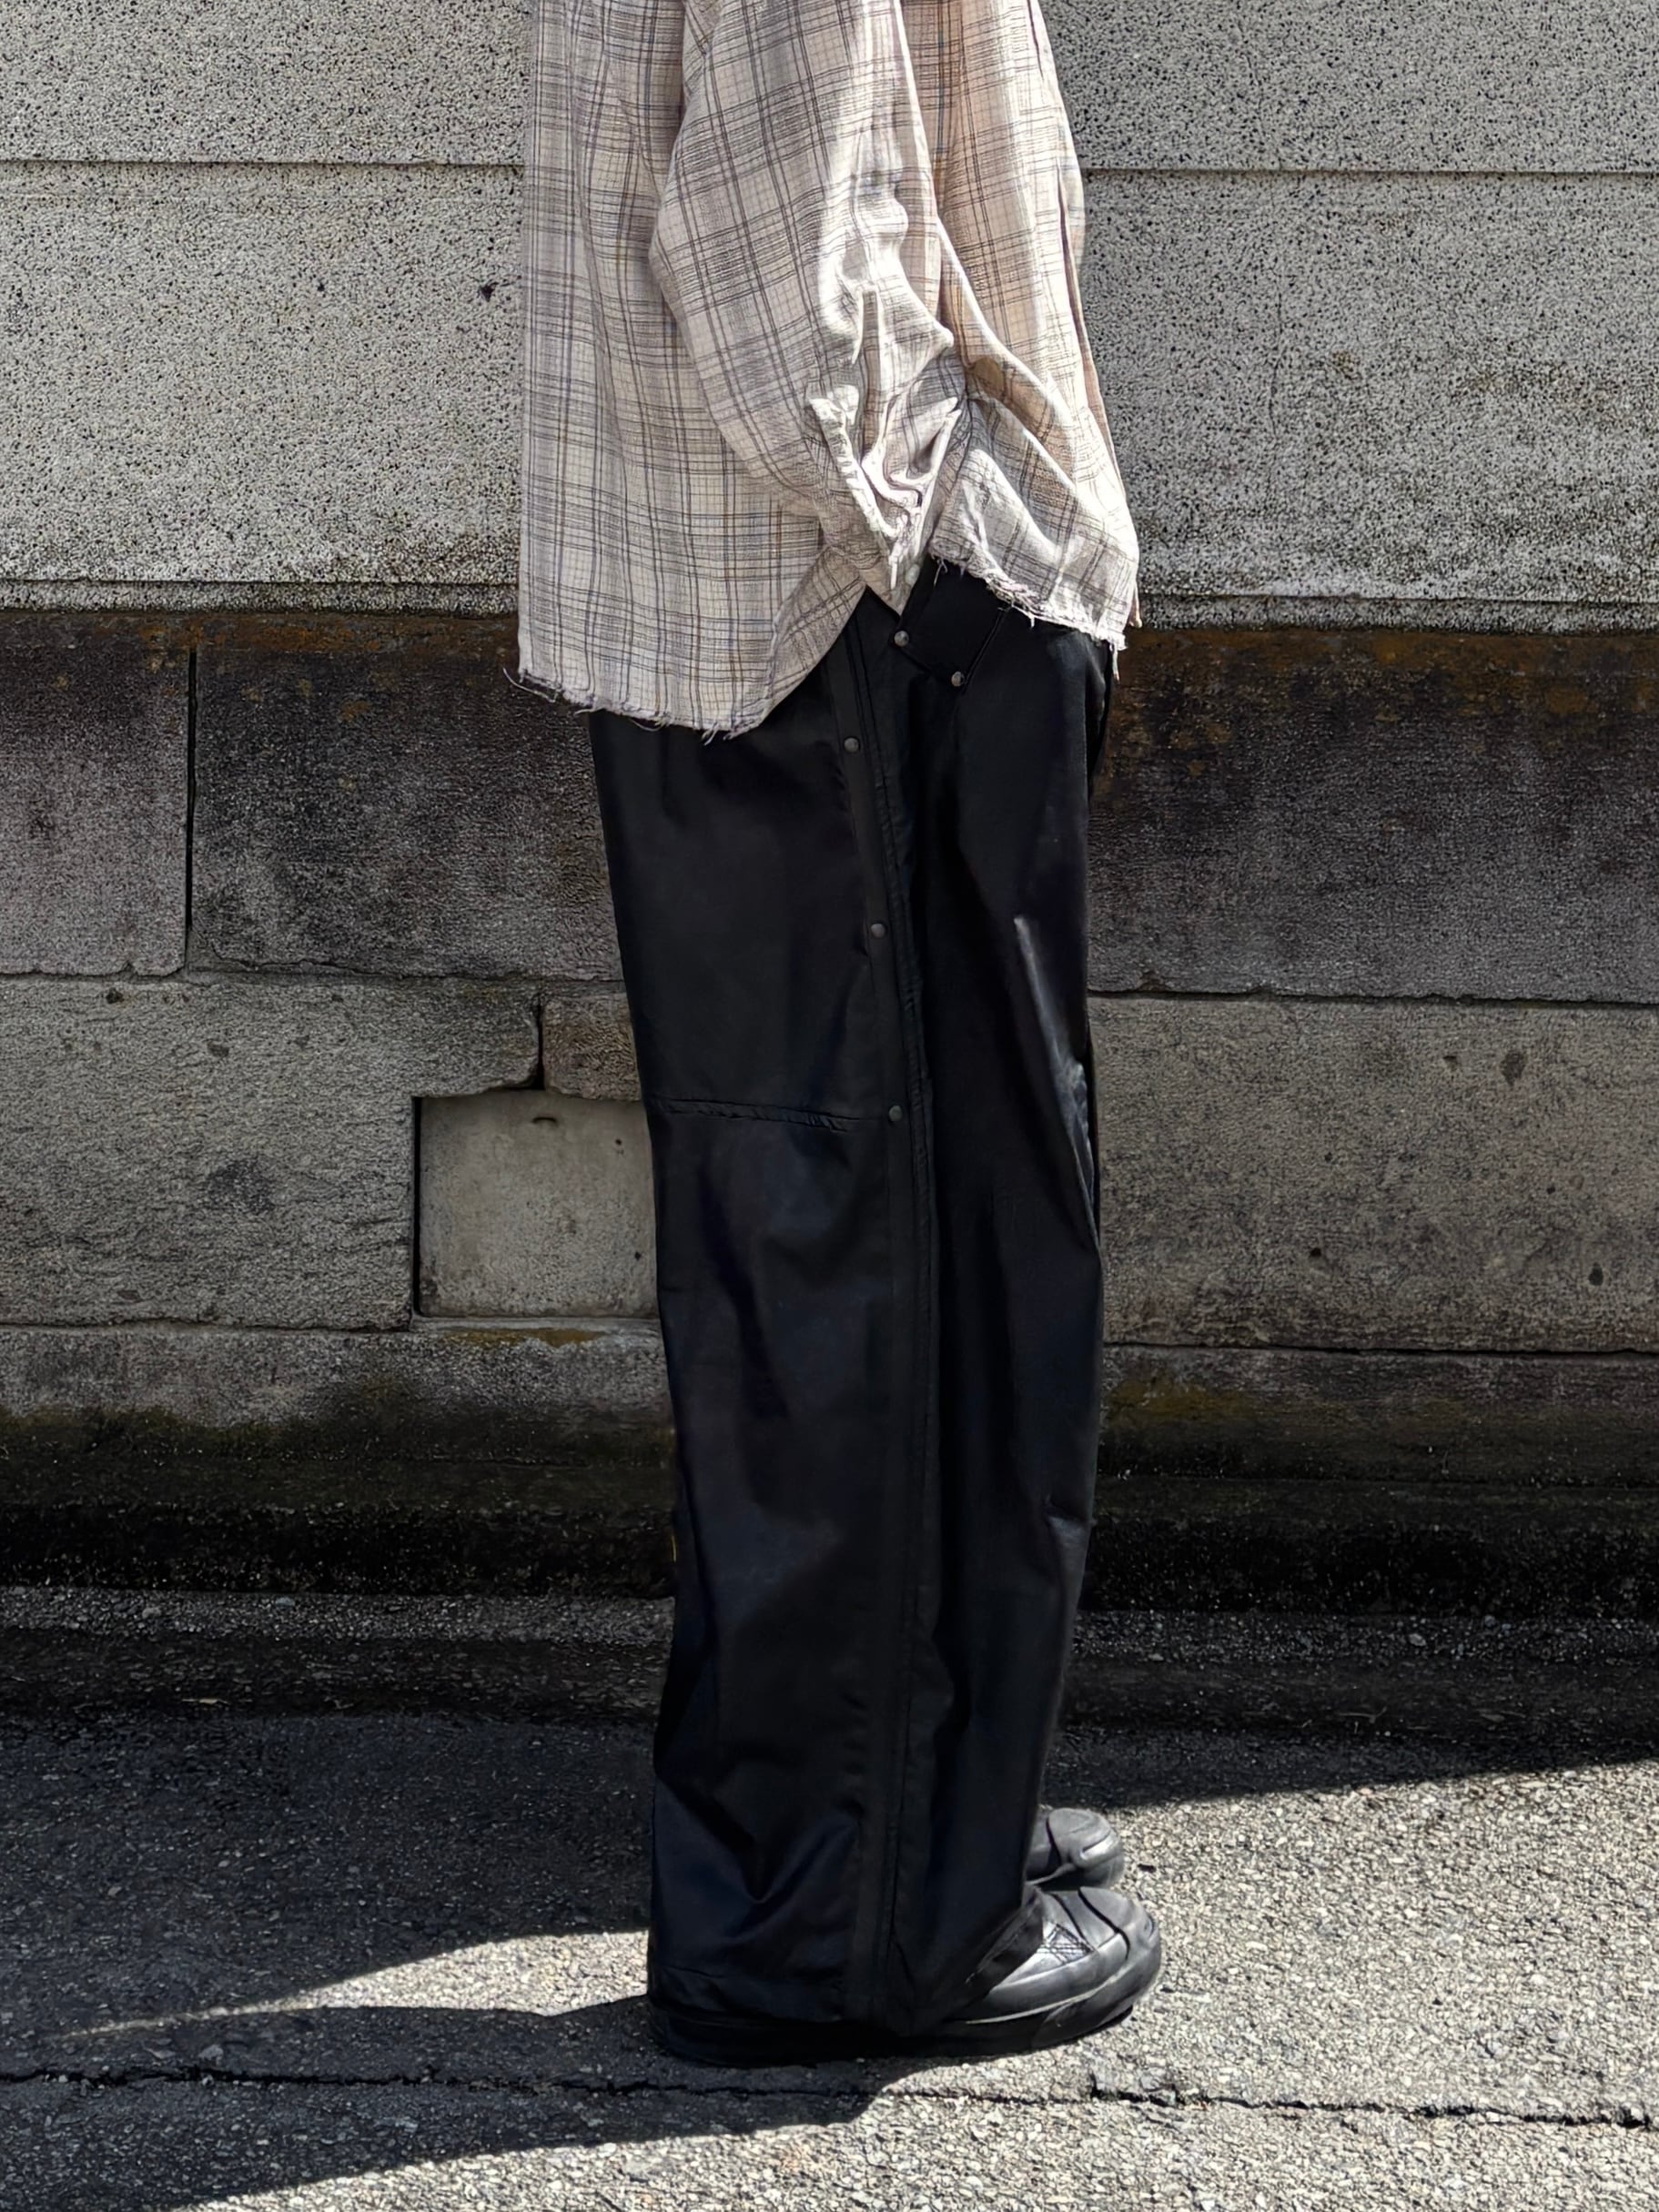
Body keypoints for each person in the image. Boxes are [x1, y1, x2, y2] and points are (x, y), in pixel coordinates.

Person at [517, 0, 1164, 2064]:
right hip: (844, 631)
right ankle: (852, 1934)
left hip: (777, 633)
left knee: (851, 1266)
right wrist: (982, 545)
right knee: (899, 1281)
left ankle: (924, 1829)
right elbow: (792, 287)